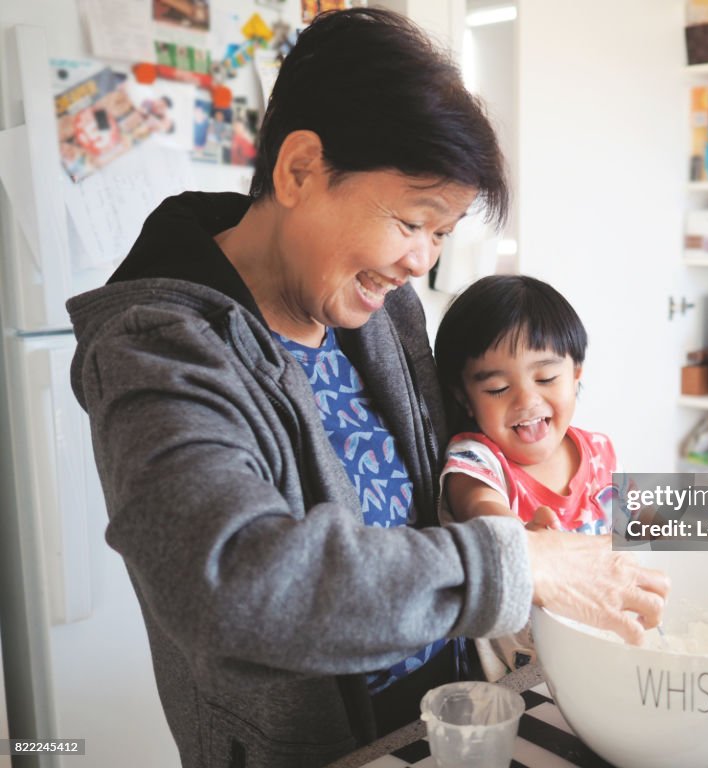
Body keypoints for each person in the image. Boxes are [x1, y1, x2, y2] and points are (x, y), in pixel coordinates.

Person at [66, 9, 668, 768]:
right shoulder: (159, 348)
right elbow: (229, 581)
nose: (422, 260)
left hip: (439, 718)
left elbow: (469, 460)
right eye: (413, 220)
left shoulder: (382, 311)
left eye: (443, 233)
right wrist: (525, 564)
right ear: (299, 170)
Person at [434, 274, 619, 679]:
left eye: (546, 378)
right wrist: (523, 540)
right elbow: (480, 508)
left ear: (576, 375)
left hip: (598, 653)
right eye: (498, 387)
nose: (527, 400)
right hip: (519, 678)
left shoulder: (599, 450)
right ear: (465, 396)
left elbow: (633, 528)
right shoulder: (478, 459)